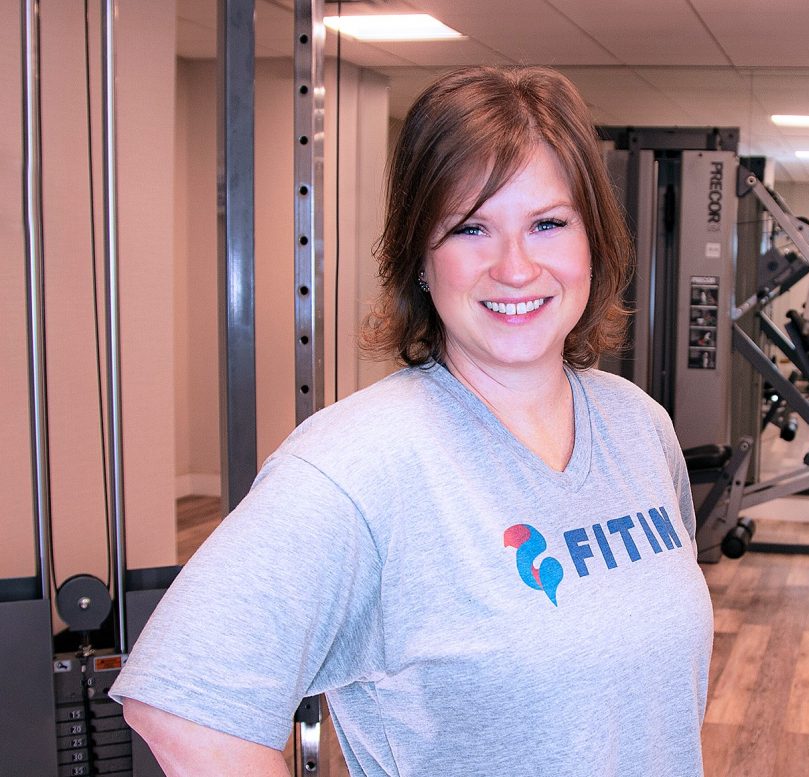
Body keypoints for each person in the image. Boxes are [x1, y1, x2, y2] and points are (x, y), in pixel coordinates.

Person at [111, 65, 714, 776]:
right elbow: (184, 707)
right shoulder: (356, 464)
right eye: (471, 229)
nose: (515, 267)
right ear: (421, 261)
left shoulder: (636, 423)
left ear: (593, 243)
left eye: (548, 224)